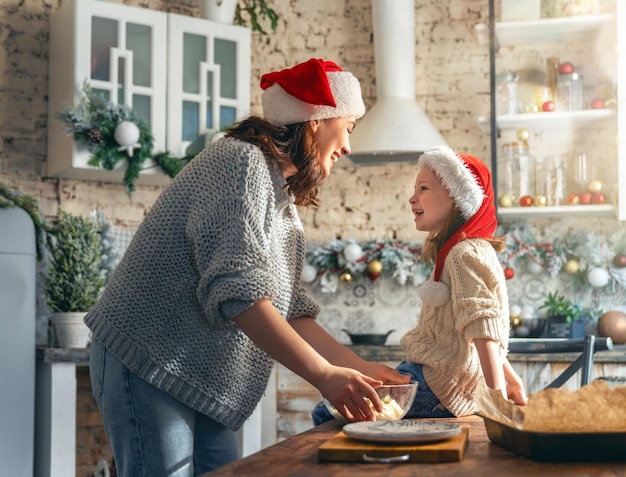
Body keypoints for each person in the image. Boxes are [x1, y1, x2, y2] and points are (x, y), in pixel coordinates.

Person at [85, 57, 408, 476]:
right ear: (315, 121)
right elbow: (241, 296)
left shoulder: (283, 205)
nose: (347, 146)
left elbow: (289, 312)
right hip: (149, 356)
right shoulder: (240, 163)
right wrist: (325, 376)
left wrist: (357, 369)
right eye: (346, 127)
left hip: (197, 377)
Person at [312, 146, 527, 425]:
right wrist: (511, 379)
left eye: (423, 188)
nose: (412, 198)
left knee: (324, 412)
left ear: (457, 198)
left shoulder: (463, 254)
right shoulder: (476, 250)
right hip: (439, 383)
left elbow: (483, 328)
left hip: (434, 385)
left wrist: (496, 400)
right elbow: (483, 331)